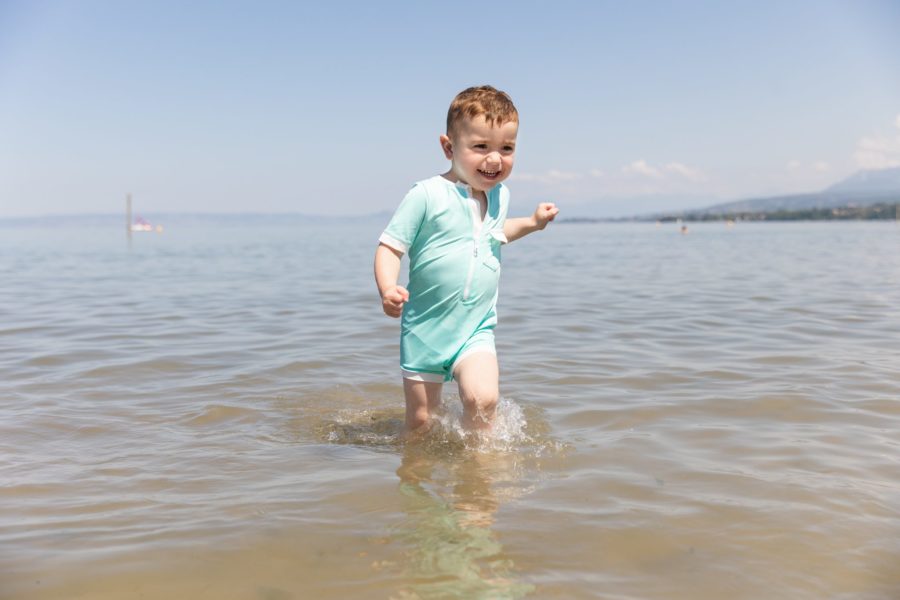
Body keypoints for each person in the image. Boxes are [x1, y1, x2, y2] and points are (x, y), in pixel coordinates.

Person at [374, 85, 558, 434]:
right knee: (422, 423)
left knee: (483, 401)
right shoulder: (426, 195)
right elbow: (390, 247)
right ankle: (415, 479)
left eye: (507, 148)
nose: (495, 159)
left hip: (476, 327)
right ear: (448, 147)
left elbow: (496, 231)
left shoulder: (499, 195)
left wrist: (533, 224)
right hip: (426, 330)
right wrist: (387, 288)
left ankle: (479, 476)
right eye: (480, 147)